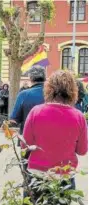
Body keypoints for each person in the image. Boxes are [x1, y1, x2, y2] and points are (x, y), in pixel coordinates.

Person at [22, 70, 88, 199]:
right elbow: (82, 150)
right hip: (64, 175)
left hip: (37, 174)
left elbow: (25, 145)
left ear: (49, 89)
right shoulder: (79, 117)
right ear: (72, 91)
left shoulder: (36, 112)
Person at [10, 65, 46, 137]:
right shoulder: (54, 94)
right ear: (45, 77)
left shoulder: (23, 94)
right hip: (48, 137)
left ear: (30, 77)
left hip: (28, 137)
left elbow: (14, 119)